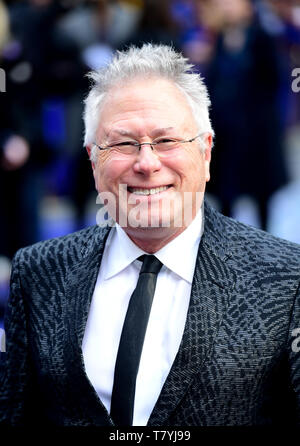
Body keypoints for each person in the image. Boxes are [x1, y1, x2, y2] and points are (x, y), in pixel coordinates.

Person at [0, 43, 300, 427]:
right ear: (93, 160)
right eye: (124, 143)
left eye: (167, 141)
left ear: (206, 154)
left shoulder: (287, 278)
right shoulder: (38, 271)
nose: (146, 163)